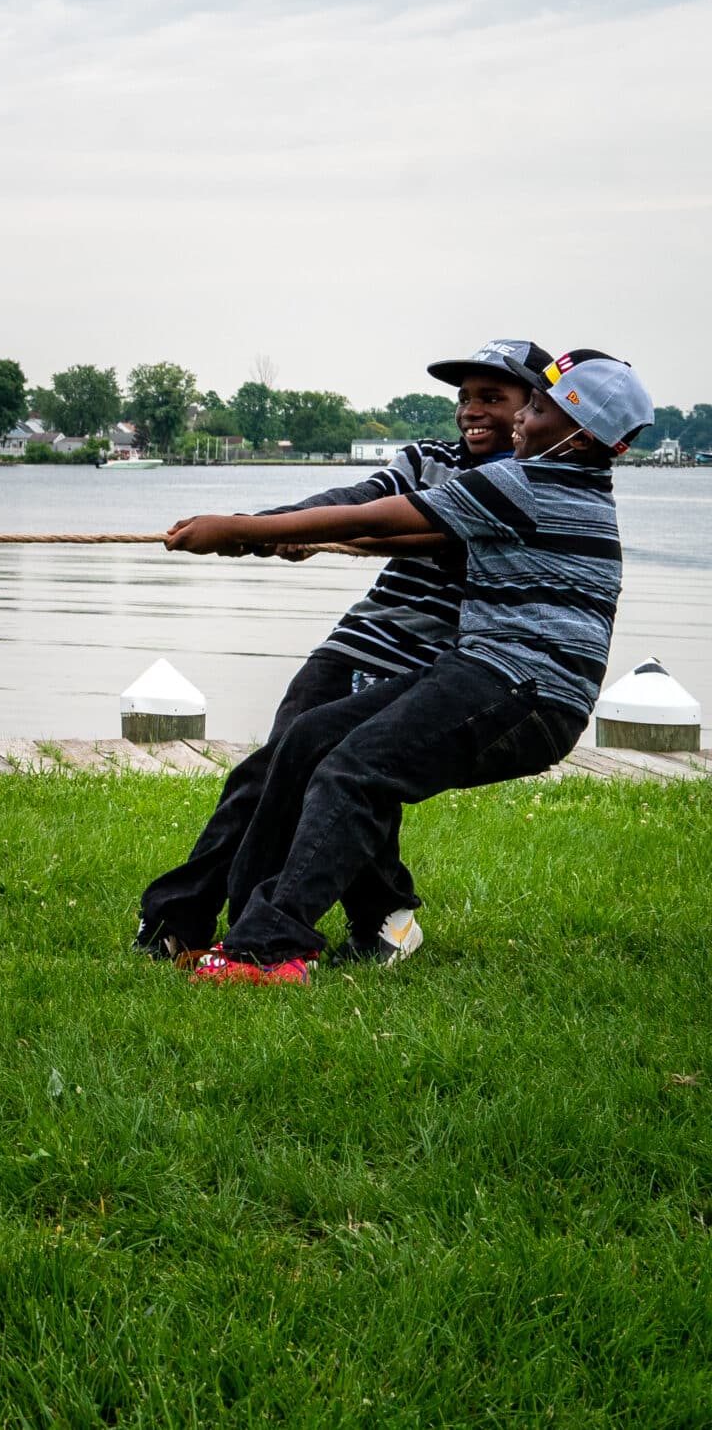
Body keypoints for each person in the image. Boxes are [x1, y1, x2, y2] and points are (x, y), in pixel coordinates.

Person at [156, 350, 650, 985]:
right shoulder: (540, 480)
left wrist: (240, 528)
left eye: (535, 408)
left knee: (356, 773)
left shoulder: (525, 484)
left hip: (526, 691)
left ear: (579, 435)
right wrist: (265, 531)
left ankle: (269, 952)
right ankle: (243, 932)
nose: (520, 419)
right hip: (482, 669)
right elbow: (383, 516)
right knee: (309, 740)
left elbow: (372, 518)